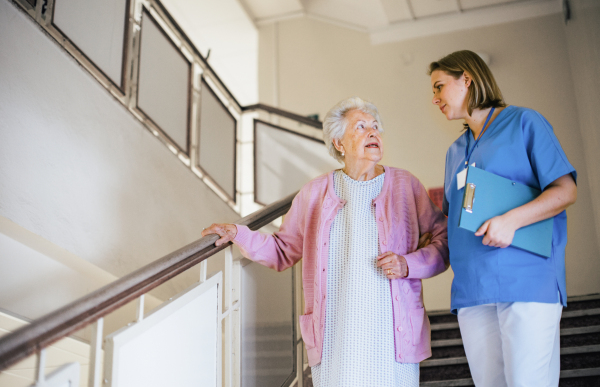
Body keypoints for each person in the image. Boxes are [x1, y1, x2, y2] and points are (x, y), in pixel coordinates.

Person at [202, 97, 449, 386]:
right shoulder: (315, 193)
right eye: (361, 126)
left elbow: (443, 240)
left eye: (376, 127)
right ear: (339, 143)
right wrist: (239, 233)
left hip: (392, 336)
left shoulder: (406, 186)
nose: (373, 133)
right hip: (336, 336)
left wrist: (408, 264)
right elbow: (282, 250)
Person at [429, 50, 577, 387]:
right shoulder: (455, 151)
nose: (434, 98)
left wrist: (511, 220)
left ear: (466, 78)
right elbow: (452, 219)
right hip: (472, 290)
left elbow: (565, 191)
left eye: (439, 87)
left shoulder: (525, 122)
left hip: (525, 281)